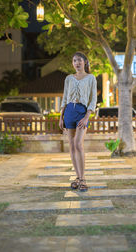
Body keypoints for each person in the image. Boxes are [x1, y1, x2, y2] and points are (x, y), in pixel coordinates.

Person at [59, 52, 97, 191]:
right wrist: (60, 116)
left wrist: (87, 116)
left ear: (85, 62)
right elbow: (64, 97)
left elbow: (93, 99)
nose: (77, 63)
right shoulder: (69, 78)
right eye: (74, 60)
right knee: (71, 145)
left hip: (82, 112)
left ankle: (83, 178)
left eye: (79, 60)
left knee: (78, 143)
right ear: (72, 63)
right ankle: (77, 177)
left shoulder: (91, 78)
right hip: (69, 111)